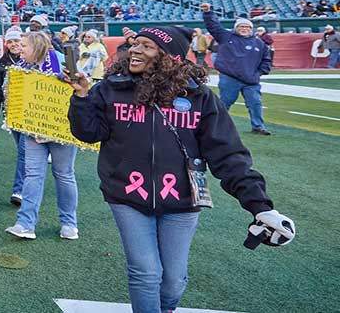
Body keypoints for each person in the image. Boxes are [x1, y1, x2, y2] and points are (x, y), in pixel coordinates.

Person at [67, 25, 295, 313]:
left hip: (182, 199)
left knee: (173, 280)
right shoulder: (112, 87)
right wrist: (82, 98)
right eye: (136, 43)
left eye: (147, 46)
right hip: (126, 195)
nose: (135, 49)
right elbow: (88, 133)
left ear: (170, 57)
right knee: (146, 273)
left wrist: (260, 206)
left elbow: (228, 153)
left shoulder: (200, 97)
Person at [5, 31, 80, 241]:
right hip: (33, 129)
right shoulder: (21, 69)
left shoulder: (63, 62)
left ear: (37, 47)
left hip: (61, 130)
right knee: (32, 175)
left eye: (23, 46)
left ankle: (69, 223)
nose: (19, 49)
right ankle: (25, 223)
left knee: (64, 175)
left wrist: (65, 79)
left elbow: (81, 88)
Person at [202, 4, 272, 135]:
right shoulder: (226, 37)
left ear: (251, 29)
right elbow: (213, 26)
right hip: (230, 77)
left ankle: (258, 126)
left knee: (255, 103)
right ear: (236, 28)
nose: (244, 29)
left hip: (251, 80)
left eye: (247, 27)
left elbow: (266, 60)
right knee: (224, 103)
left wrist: (259, 73)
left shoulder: (259, 44)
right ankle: (215, 126)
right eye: (241, 26)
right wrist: (207, 12)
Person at [0, 26, 24, 206]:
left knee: (25, 153)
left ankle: (19, 189)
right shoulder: (2, 63)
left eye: (16, 41)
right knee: (23, 151)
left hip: (31, 113)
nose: (13, 44)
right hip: (12, 112)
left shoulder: (32, 58)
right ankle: (24, 185)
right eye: (10, 41)